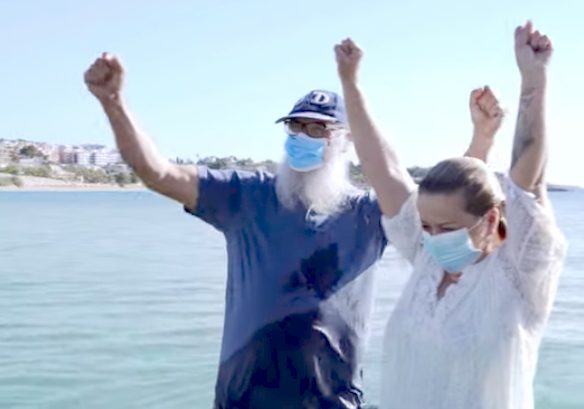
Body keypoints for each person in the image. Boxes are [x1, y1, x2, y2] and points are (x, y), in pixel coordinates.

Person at [83, 52, 501, 408]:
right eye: (296, 127)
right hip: (242, 398)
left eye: (318, 129)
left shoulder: (369, 214)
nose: (304, 136)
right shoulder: (245, 197)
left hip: (332, 400)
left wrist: (481, 139)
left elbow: (445, 206)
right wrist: (114, 103)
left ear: (345, 141)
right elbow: (158, 173)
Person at [334, 21, 567, 409]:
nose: (433, 236)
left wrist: (533, 79)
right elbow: (383, 169)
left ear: (491, 220)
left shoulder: (520, 270)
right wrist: (350, 83)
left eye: (447, 228)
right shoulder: (427, 259)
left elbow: (529, 175)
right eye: (427, 226)